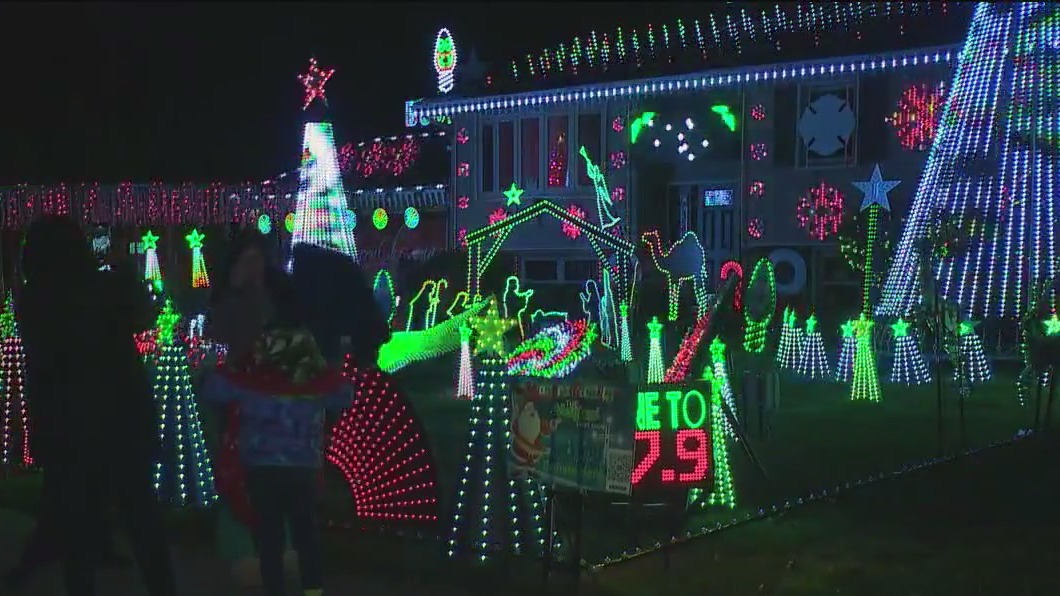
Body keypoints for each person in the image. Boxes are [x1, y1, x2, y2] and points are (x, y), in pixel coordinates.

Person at [12, 215, 176, 596]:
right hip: (121, 420)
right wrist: (124, 273)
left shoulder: (34, 298)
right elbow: (143, 316)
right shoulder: (105, 286)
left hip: (67, 427)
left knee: (77, 535)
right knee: (142, 520)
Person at [201, 265, 351, 596]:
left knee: (268, 537)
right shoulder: (310, 366)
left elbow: (216, 390)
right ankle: (313, 590)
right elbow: (342, 394)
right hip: (302, 465)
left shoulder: (257, 363)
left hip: (262, 465)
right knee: (306, 534)